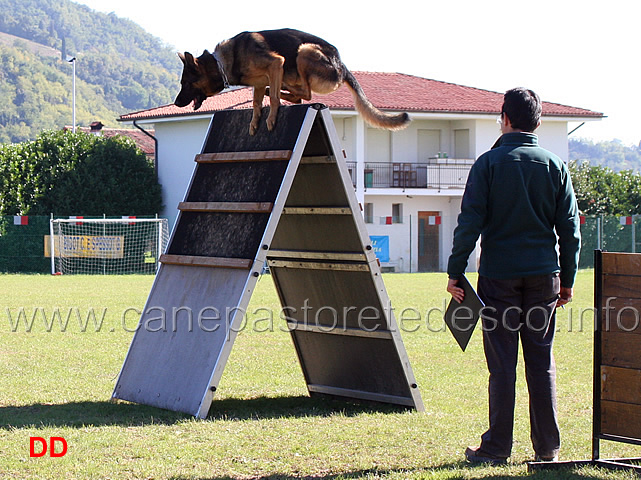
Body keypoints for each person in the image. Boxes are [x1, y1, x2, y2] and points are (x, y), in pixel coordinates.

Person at [446, 87, 581, 464]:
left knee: (502, 365)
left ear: (504, 118)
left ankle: (496, 448)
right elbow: (570, 230)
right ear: (538, 122)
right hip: (544, 276)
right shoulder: (555, 165)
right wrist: (567, 279)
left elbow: (469, 223)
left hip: (498, 276)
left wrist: (456, 271)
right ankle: (547, 449)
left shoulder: (488, 164)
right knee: (541, 362)